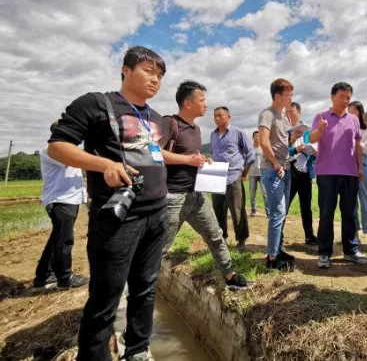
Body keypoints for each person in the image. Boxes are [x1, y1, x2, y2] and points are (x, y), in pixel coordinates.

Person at [48, 46, 168, 361]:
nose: (155, 79)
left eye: (160, 75)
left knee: (146, 288)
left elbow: (153, 155)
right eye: (148, 71)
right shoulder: (97, 104)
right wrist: (105, 166)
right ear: (125, 70)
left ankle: (138, 349)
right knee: (106, 296)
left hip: (157, 215)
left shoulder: (154, 118)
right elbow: (57, 147)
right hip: (119, 220)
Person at [160, 80, 250, 291]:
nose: (206, 105)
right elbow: (154, 153)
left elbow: (189, 156)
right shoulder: (169, 123)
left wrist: (202, 159)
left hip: (196, 195)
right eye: (202, 100)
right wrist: (187, 160)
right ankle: (136, 291)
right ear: (188, 103)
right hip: (173, 197)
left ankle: (229, 275)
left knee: (215, 235)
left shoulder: (197, 129)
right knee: (161, 248)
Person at [310, 82, 367, 269]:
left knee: (350, 213)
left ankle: (350, 250)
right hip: (327, 172)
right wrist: (320, 130)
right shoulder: (321, 117)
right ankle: (324, 252)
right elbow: (311, 139)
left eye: (348, 98)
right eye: (342, 96)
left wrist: (360, 167)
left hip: (350, 173)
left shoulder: (353, 119)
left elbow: (358, 144)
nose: (345, 100)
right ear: (332, 96)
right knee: (326, 214)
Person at [32, 122, 89, 292]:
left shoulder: (65, 150)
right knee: (64, 240)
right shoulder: (53, 149)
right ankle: (65, 278)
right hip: (61, 200)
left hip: (68, 200)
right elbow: (78, 159)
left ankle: (44, 275)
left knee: (56, 238)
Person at [258, 78, 298, 271]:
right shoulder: (267, 114)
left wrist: (295, 139)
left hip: (286, 169)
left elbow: (285, 145)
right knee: (277, 214)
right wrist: (275, 163)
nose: (291, 98)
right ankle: (272, 259)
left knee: (281, 214)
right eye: (288, 94)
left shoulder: (285, 118)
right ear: (277, 96)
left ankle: (277, 249)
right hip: (273, 170)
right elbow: (264, 142)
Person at [210, 107, 254, 252]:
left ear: (228, 116)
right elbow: (213, 154)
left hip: (233, 176)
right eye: (215, 116)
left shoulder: (238, 133)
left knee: (237, 210)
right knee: (217, 210)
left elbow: (250, 154)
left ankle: (241, 240)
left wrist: (244, 172)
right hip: (216, 177)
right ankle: (222, 238)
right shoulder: (213, 135)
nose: (217, 118)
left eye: (220, 116)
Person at [347, 101, 367, 251]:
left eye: (353, 111)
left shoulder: (366, 129)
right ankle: (355, 235)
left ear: (360, 112)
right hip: (347, 165)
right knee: (351, 203)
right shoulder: (346, 128)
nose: (350, 114)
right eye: (349, 111)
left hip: (363, 164)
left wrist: (356, 144)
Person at [287, 102, 317, 246]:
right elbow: (281, 152)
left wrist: (313, 152)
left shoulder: (308, 132)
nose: (289, 115)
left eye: (291, 112)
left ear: (299, 113)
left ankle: (309, 236)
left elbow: (315, 150)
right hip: (291, 172)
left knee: (306, 206)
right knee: (285, 205)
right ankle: (278, 237)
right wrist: (295, 148)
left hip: (305, 172)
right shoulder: (285, 132)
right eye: (287, 112)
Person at [247, 131, 269, 217]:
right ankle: (253, 210)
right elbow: (247, 161)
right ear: (253, 138)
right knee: (252, 194)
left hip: (262, 173)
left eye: (259, 136)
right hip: (252, 174)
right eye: (255, 136)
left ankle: (268, 212)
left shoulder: (263, 148)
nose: (257, 137)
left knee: (265, 193)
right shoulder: (250, 149)